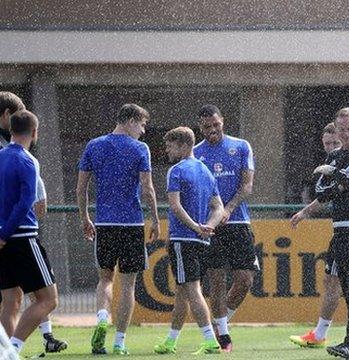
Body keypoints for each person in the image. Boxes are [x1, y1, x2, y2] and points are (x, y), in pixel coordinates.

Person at [156, 105, 257, 352]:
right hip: (207, 229)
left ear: (222, 121)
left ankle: (216, 324)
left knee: (245, 280)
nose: (212, 130)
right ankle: (222, 335)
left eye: (216, 125)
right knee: (216, 280)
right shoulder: (195, 154)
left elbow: (247, 185)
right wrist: (206, 223)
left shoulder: (241, 146)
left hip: (237, 220)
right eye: (207, 127)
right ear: (200, 128)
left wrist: (228, 209)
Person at [291, 107, 349, 359]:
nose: (345, 133)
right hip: (341, 226)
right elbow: (321, 190)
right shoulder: (335, 156)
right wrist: (341, 180)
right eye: (341, 129)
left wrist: (338, 178)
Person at [76, 103, 160, 355]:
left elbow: (81, 188)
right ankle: (119, 341)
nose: (143, 132)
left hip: (104, 223)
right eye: (143, 125)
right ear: (132, 120)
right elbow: (147, 189)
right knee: (128, 285)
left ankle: (102, 316)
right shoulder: (139, 149)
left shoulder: (94, 145)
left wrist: (85, 218)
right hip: (132, 223)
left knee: (105, 279)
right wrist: (155, 218)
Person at [0, 91, 67, 353]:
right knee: (48, 299)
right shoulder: (27, 160)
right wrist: (6, 233)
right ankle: (12, 350)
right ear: (35, 132)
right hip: (21, 237)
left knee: (10, 301)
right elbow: (27, 201)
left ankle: (4, 350)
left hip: (4, 239)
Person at [154, 127, 226, 355]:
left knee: (192, 289)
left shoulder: (176, 170)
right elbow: (219, 208)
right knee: (182, 291)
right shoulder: (206, 171)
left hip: (183, 238)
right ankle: (171, 340)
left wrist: (195, 226)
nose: (167, 151)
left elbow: (175, 206)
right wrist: (209, 227)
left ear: (184, 145)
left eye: (170, 146)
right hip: (201, 241)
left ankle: (210, 339)